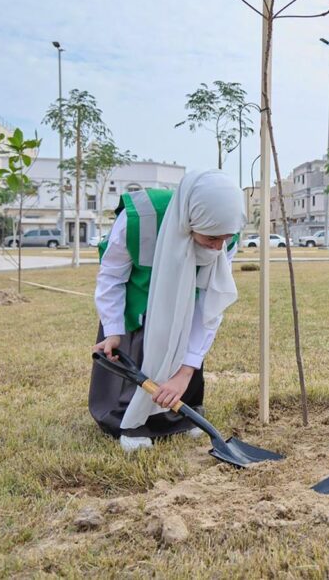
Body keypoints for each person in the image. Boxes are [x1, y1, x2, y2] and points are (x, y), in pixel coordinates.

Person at [89, 171, 244, 452]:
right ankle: (131, 423)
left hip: (186, 310)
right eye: (211, 237)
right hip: (138, 307)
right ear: (189, 220)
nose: (218, 246)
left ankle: (180, 418)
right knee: (138, 365)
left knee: (185, 365)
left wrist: (185, 371)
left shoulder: (225, 235)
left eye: (226, 238)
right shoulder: (141, 219)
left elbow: (208, 309)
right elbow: (111, 275)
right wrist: (113, 329)